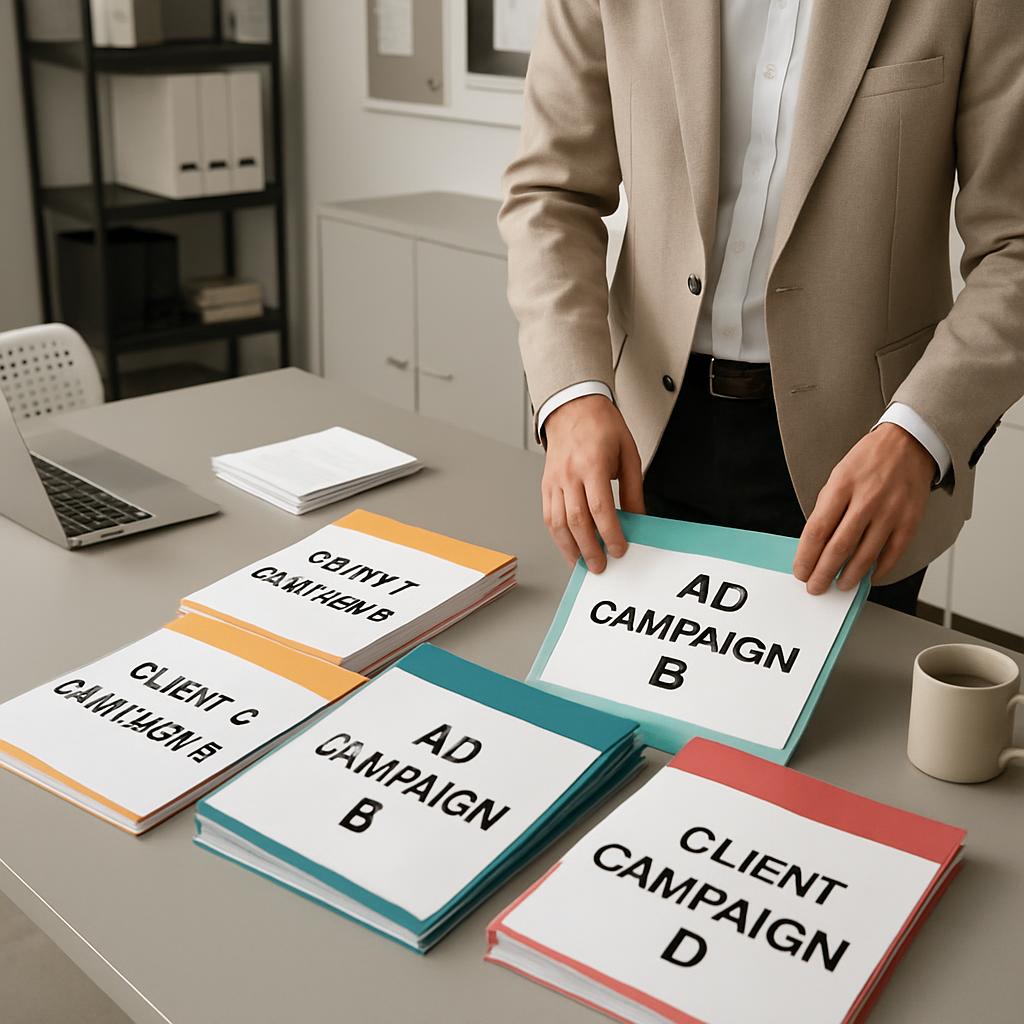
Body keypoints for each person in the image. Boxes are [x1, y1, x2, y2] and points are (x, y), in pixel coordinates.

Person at [499, 0, 1024, 615]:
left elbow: (1014, 247)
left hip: (866, 462)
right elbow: (550, 194)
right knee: (626, 704)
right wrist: (571, 395)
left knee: (847, 715)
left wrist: (919, 435)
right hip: (639, 445)